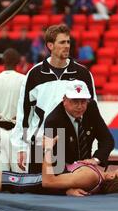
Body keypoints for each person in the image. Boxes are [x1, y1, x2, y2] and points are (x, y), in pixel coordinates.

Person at [10, 24, 99, 174]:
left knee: (73, 191)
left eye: (68, 42)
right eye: (62, 42)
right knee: (37, 192)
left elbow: (93, 112)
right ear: (50, 45)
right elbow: (24, 114)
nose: (67, 46)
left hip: (73, 143)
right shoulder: (34, 74)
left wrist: (93, 148)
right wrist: (20, 147)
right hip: (40, 143)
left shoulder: (83, 74)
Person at [44, 80, 114, 174]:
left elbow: (107, 139)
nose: (80, 106)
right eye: (75, 101)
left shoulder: (91, 108)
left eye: (83, 101)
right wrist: (70, 186)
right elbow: (55, 162)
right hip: (64, 170)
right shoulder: (54, 121)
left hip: (88, 168)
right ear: (64, 100)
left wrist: (96, 159)